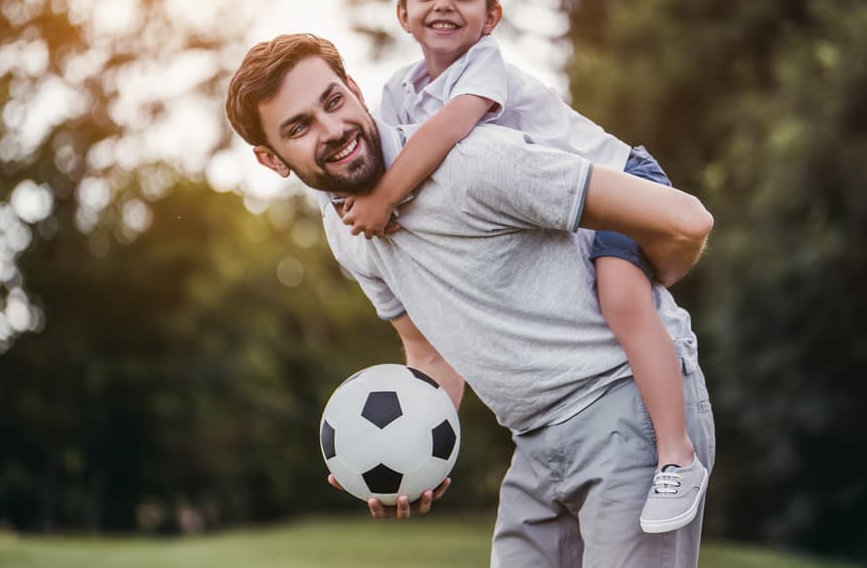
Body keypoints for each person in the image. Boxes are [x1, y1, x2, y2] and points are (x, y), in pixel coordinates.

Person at [225, 33, 715, 567]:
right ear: (271, 160)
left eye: (334, 101)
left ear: (356, 90)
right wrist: (406, 451)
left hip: (627, 407)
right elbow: (429, 353)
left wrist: (644, 299)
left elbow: (686, 221)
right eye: (300, 127)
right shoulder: (346, 232)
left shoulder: (472, 165)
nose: (333, 130)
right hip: (533, 441)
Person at [337, 0, 704, 534]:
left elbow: (451, 129)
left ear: (491, 17)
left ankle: (675, 455)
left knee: (622, 301)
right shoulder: (397, 92)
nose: (443, 5)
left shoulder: (485, 67)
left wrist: (382, 197)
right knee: (601, 298)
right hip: (563, 208)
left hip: (619, 181)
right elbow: (395, 153)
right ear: (402, 14)